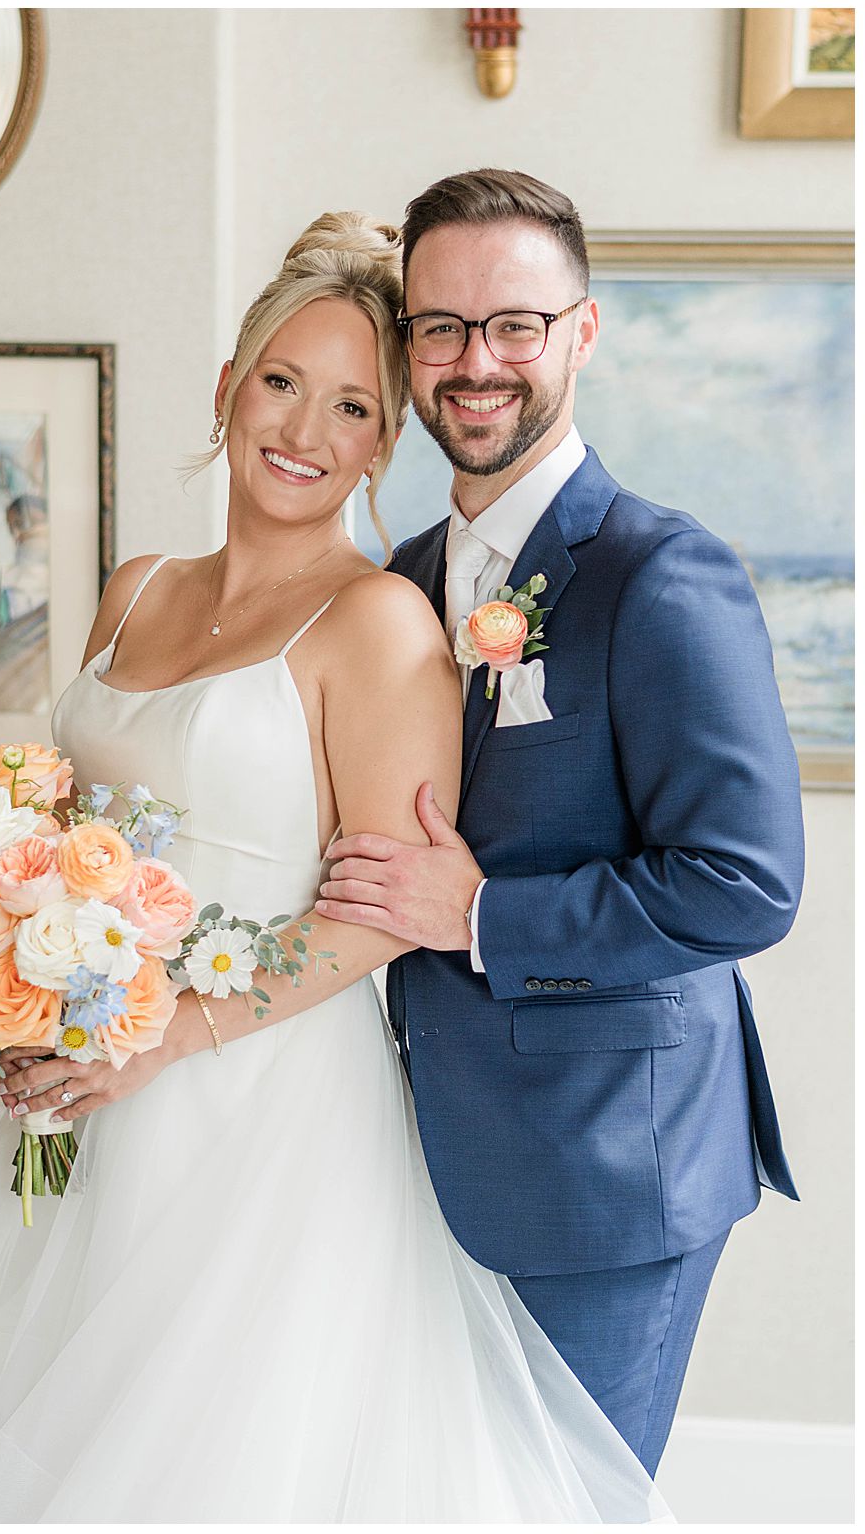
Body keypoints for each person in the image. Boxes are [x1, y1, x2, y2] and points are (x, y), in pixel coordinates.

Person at [0, 212, 668, 1521]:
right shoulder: (135, 590)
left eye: (352, 407)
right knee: (40, 1426)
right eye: (282, 383)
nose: (304, 431)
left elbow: (383, 912)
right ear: (228, 388)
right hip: (76, 1087)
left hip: (259, 1102)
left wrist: (168, 1036)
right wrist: (7, 958)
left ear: (382, 441)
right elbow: (53, 828)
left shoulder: (378, 621)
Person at [307, 169, 802, 1477]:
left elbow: (743, 885)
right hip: (410, 1156)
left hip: (607, 1169)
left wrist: (479, 914)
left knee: (562, 1505)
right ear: (408, 347)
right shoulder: (398, 580)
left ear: (581, 333)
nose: (477, 364)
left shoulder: (659, 571)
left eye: (515, 325)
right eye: (441, 328)